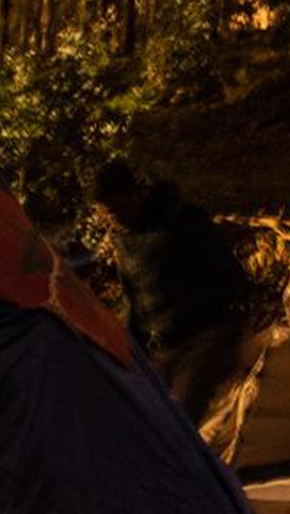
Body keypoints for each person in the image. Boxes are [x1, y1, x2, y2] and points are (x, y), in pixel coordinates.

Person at [93, 160, 251, 427]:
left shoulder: (181, 219)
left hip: (204, 336)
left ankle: (195, 467)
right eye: (109, 213)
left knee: (180, 421)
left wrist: (235, 317)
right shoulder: (123, 241)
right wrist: (130, 350)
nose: (115, 217)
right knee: (149, 425)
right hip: (161, 347)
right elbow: (134, 299)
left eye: (118, 208)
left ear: (134, 194)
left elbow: (226, 268)